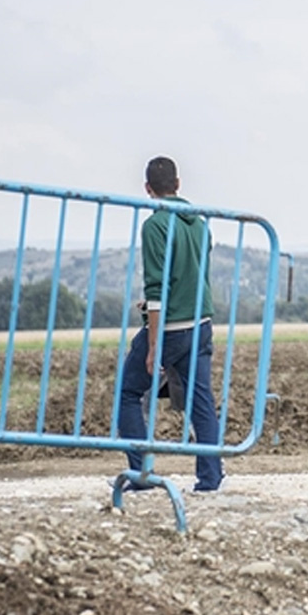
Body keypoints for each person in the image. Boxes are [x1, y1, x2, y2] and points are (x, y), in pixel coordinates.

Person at [114, 156, 223, 493]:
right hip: (201, 322)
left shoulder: (156, 225)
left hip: (172, 327)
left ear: (148, 189)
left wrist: (153, 343)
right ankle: (210, 478)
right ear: (178, 184)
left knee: (128, 394)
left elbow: (158, 287)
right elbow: (190, 277)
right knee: (200, 401)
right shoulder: (200, 224)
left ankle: (141, 474)